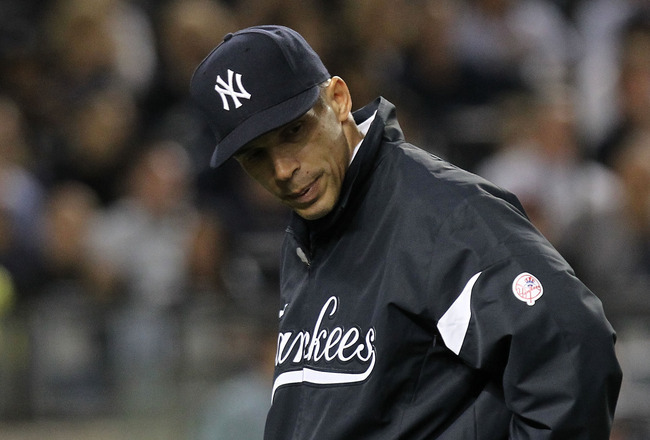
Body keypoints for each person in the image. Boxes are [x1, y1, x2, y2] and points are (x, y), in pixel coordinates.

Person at [190, 25, 622, 440]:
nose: (283, 169)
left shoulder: (442, 215)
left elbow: (573, 347)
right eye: (255, 155)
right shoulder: (311, 227)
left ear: (338, 100)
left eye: (293, 132)